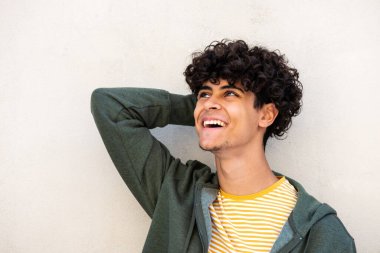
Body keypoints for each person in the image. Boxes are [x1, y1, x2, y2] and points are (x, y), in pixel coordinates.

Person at [91, 40, 356, 253]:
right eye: (204, 93)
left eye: (230, 93)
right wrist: (206, 113)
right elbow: (111, 106)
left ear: (266, 115)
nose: (209, 101)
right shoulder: (177, 194)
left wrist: (219, 114)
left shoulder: (322, 233)